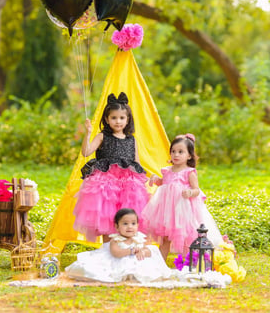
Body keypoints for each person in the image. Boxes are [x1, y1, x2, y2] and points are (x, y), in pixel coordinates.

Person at [73, 92, 149, 242]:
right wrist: (88, 133)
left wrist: (142, 182)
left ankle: (124, 249)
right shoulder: (102, 136)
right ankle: (108, 250)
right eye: (114, 117)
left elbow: (137, 162)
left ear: (128, 120)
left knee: (127, 216)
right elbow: (86, 152)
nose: (118, 121)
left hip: (128, 184)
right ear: (107, 119)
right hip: (106, 183)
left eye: (122, 118)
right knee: (106, 216)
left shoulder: (131, 140)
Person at [141, 133, 222, 261]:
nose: (176, 155)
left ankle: (188, 261)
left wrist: (190, 192)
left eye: (180, 152)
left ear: (189, 155)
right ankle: (161, 262)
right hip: (167, 211)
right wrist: (156, 180)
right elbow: (164, 183)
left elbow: (196, 190)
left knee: (186, 237)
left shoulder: (189, 172)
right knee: (165, 237)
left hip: (183, 211)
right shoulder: (167, 170)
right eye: (173, 151)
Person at [66, 208, 172, 283]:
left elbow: (148, 251)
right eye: (125, 224)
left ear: (137, 225)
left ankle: (136, 275)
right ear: (117, 227)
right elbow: (116, 253)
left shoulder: (138, 238)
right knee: (97, 269)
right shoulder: (116, 240)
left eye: (133, 223)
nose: (129, 227)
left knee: (151, 251)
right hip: (117, 261)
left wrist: (142, 251)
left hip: (136, 261)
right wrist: (130, 251)